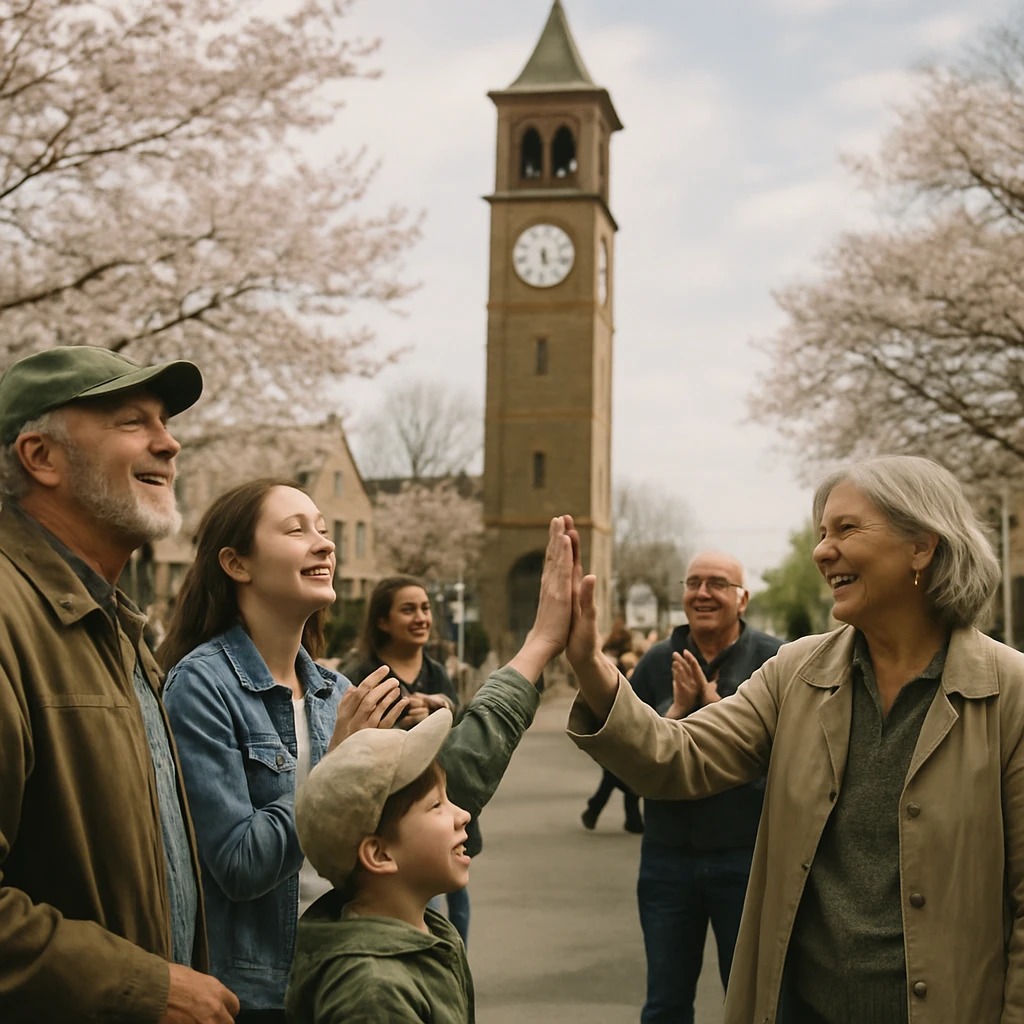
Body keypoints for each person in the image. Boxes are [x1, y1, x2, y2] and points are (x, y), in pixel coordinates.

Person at [562, 457, 1021, 1024]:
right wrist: (588, 663)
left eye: (846, 529)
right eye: (822, 533)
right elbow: (676, 756)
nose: (822, 551)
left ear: (922, 546)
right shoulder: (796, 673)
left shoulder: (1010, 694)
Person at [0, 346, 239, 1023]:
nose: (170, 442)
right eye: (133, 422)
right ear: (40, 457)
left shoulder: (117, 627)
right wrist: (138, 986)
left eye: (164, 422)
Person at [286, 519, 576, 1024]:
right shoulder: (373, 991)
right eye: (439, 806)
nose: (463, 814)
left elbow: (456, 759)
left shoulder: (427, 937)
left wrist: (540, 644)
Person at [160, 479, 413, 1022]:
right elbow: (238, 864)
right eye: (296, 530)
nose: (324, 543)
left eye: (323, 529)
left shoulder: (335, 691)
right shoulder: (201, 687)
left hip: (345, 974)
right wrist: (335, 769)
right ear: (236, 564)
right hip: (255, 995)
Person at [628, 551, 782, 1023]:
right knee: (666, 1003)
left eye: (717, 583)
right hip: (668, 857)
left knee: (754, 1002)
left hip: (748, 858)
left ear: (743, 599)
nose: (702, 593)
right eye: (693, 583)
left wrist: (714, 705)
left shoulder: (775, 661)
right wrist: (674, 712)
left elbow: (791, 757)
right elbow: (626, 759)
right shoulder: (656, 661)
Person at [346, 576, 473, 944]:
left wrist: (440, 706)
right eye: (408, 609)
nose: (421, 618)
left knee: (457, 914)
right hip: (396, 825)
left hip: (444, 811)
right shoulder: (361, 675)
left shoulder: (438, 674)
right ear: (383, 622)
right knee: (419, 918)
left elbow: (463, 728)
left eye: (425, 608)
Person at [581, 618, 644, 833]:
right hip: (613, 718)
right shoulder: (621, 661)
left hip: (607, 718)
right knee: (621, 772)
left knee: (617, 772)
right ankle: (625, 817)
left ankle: (600, 811)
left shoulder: (606, 657)